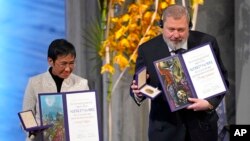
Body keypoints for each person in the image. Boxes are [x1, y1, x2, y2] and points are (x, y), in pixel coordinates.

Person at [130, 4, 229, 141]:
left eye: (181, 30)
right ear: (161, 26)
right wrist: (138, 92)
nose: (176, 35)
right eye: (171, 29)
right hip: (165, 132)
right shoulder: (147, 50)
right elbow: (137, 84)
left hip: (202, 129)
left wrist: (209, 103)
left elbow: (222, 79)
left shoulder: (207, 42)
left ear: (189, 26)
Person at [22, 39, 89, 141]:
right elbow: (26, 114)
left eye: (71, 63)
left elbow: (86, 118)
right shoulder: (35, 83)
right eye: (63, 63)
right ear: (50, 61)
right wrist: (34, 133)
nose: (67, 69)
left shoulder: (82, 84)